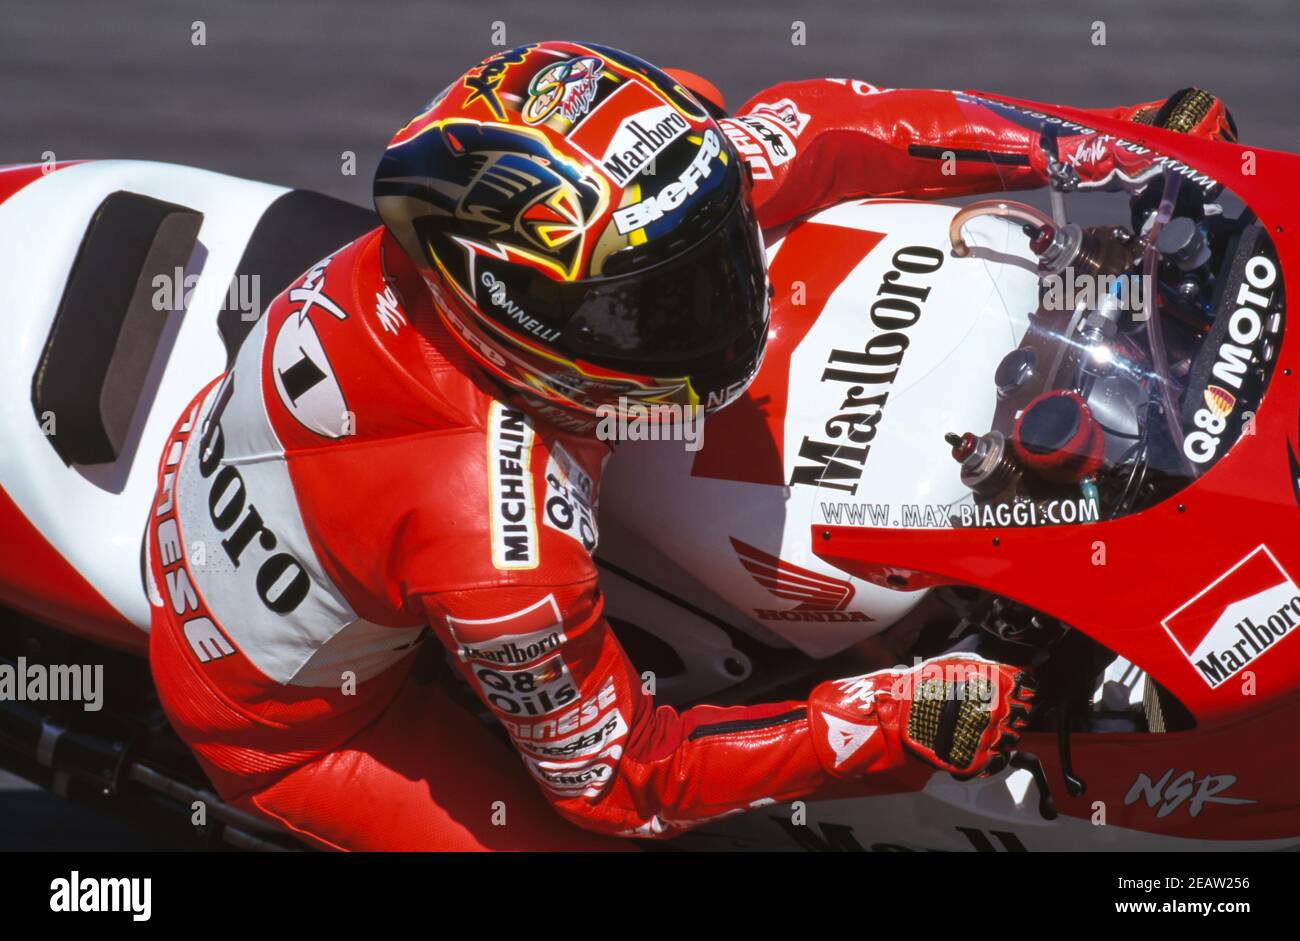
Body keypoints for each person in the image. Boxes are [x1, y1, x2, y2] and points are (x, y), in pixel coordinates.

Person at [144, 40, 1233, 850]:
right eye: (652, 308)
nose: (713, 304)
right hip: (294, 714)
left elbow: (821, 127)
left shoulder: (618, 220)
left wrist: (1111, 149)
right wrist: (896, 718)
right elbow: (619, 780)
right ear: (509, 316)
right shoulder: (492, 528)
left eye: (708, 253)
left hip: (324, 468)